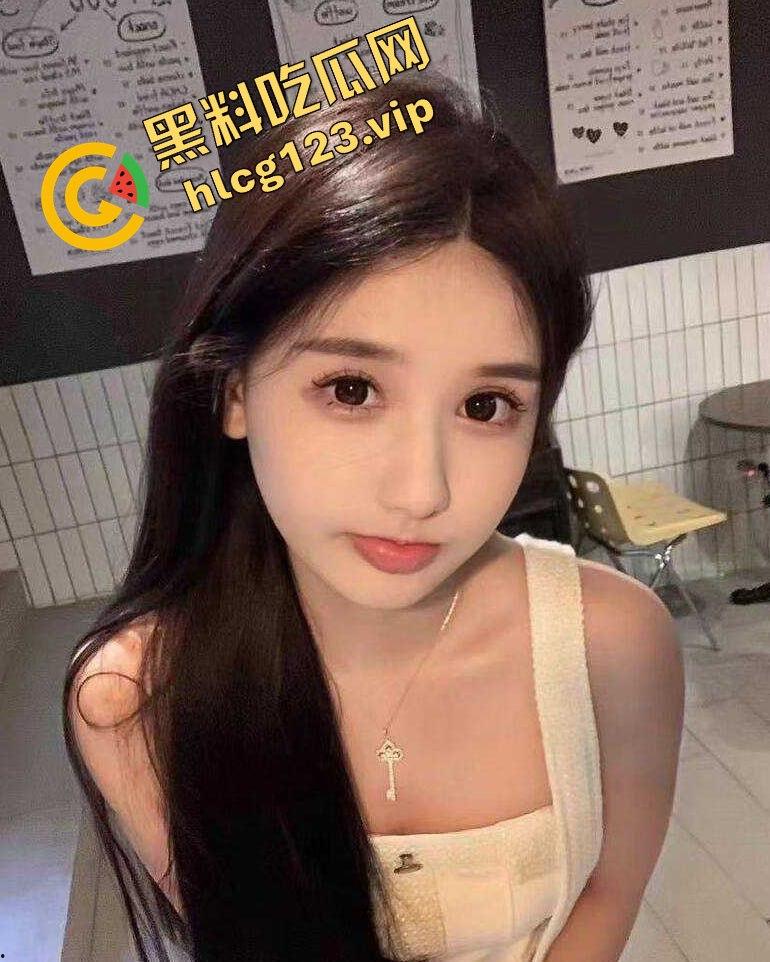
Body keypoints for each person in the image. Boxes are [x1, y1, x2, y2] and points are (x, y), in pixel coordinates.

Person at [62, 70, 684, 962]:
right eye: (352, 389)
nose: (422, 492)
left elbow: (611, 894)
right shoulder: (136, 699)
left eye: (485, 406)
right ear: (233, 391)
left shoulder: (613, 641)